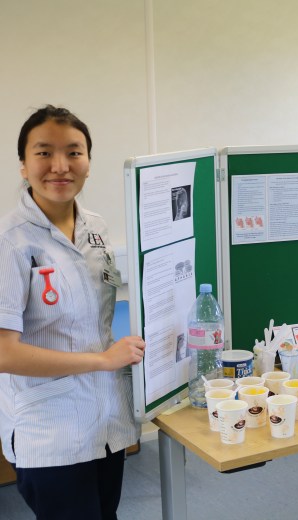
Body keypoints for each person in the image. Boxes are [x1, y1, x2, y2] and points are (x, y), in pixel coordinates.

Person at [0, 105, 146, 519]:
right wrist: (102, 360)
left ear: (88, 163)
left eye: (74, 152)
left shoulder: (95, 229)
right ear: (24, 166)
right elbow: (4, 353)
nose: (60, 166)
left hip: (106, 420)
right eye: (44, 152)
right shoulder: (10, 242)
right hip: (50, 431)